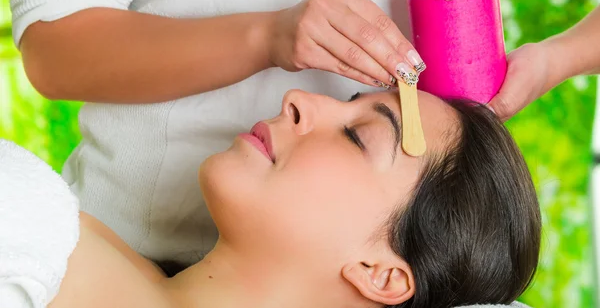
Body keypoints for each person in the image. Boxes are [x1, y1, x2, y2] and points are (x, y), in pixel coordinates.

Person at [7, 0, 595, 271]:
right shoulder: (36, 253)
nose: (297, 99)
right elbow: (53, 47)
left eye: (368, 129)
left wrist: (551, 62)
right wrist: (266, 36)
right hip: (134, 245)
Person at [5, 89, 542, 308]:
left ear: (380, 274)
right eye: (347, 100)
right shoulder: (38, 222)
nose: (300, 98)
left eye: (358, 137)